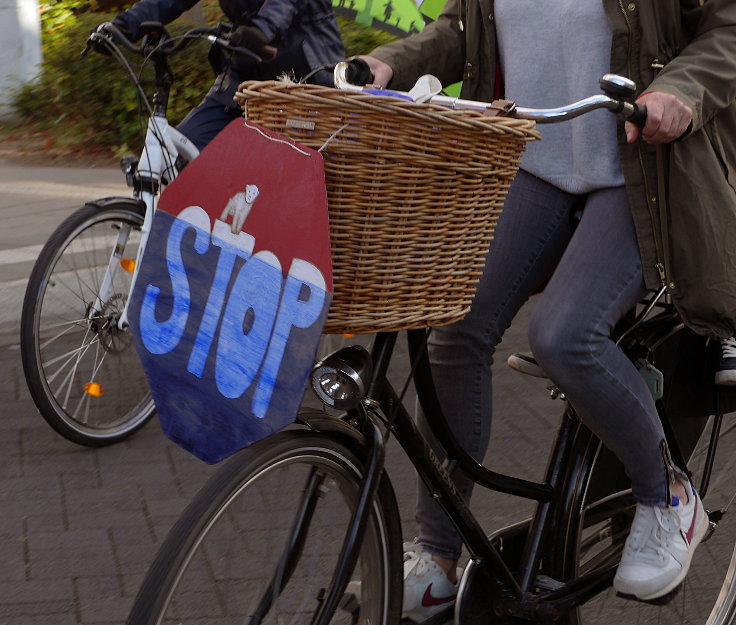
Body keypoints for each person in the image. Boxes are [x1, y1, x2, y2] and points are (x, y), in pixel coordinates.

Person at [356, 0, 736, 621]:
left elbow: (727, 26)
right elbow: (463, 28)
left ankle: (667, 496)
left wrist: (681, 90)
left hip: (640, 166)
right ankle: (439, 557)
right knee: (454, 325)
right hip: (535, 161)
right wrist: (386, 63)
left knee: (564, 336)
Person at [99, 0, 345, 150]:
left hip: (304, 81)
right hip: (244, 77)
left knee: (290, 170)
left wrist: (261, 29)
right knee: (183, 149)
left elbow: (284, 4)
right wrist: (124, 25)